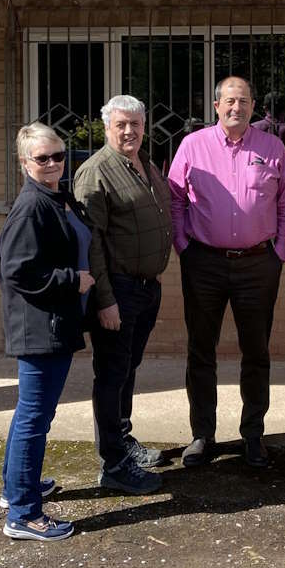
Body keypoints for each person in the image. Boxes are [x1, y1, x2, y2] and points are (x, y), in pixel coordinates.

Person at [168, 75, 285, 468]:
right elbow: (174, 200)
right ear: (216, 106)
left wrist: (280, 251)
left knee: (256, 351)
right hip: (203, 262)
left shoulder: (273, 147)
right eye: (229, 101)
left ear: (253, 106)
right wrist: (184, 247)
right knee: (201, 350)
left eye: (243, 101)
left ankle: (253, 434)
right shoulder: (193, 145)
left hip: (259, 263)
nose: (236, 108)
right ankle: (202, 434)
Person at [0, 121, 93, 542]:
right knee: (36, 416)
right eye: (43, 158)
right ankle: (24, 514)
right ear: (24, 163)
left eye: (59, 155)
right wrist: (73, 280)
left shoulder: (53, 197)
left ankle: (16, 488)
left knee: (30, 413)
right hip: (40, 327)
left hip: (52, 323)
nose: (53, 163)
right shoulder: (31, 207)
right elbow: (18, 270)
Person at [74, 95, 173, 496]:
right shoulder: (96, 172)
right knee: (113, 374)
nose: (129, 131)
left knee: (128, 369)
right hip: (118, 289)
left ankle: (123, 440)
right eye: (120, 125)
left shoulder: (144, 163)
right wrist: (105, 300)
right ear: (106, 128)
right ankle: (113, 464)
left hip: (146, 288)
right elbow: (91, 242)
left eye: (135, 123)